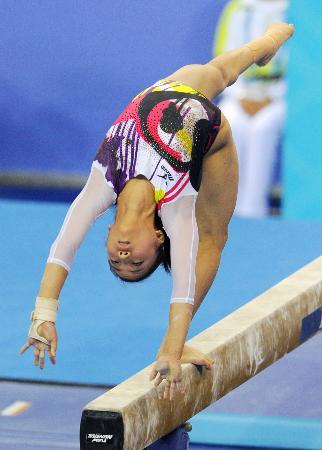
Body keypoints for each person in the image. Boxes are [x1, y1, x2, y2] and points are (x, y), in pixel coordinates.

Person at [20, 23, 294, 400]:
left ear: (108, 235)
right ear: (158, 238)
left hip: (168, 91)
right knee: (214, 236)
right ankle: (177, 341)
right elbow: (181, 288)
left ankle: (264, 45)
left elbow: (62, 248)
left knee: (218, 71)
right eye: (136, 264)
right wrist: (171, 349)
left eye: (117, 263)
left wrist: (44, 315)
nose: (124, 258)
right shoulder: (178, 210)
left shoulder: (102, 183)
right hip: (213, 135)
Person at [214, 0, 289, 217]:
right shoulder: (237, 8)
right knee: (230, 121)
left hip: (280, 96)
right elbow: (223, 61)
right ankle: (226, 209)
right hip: (239, 92)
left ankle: (253, 209)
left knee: (262, 129)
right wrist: (242, 96)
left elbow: (302, 67)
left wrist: (271, 97)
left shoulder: (294, 11)